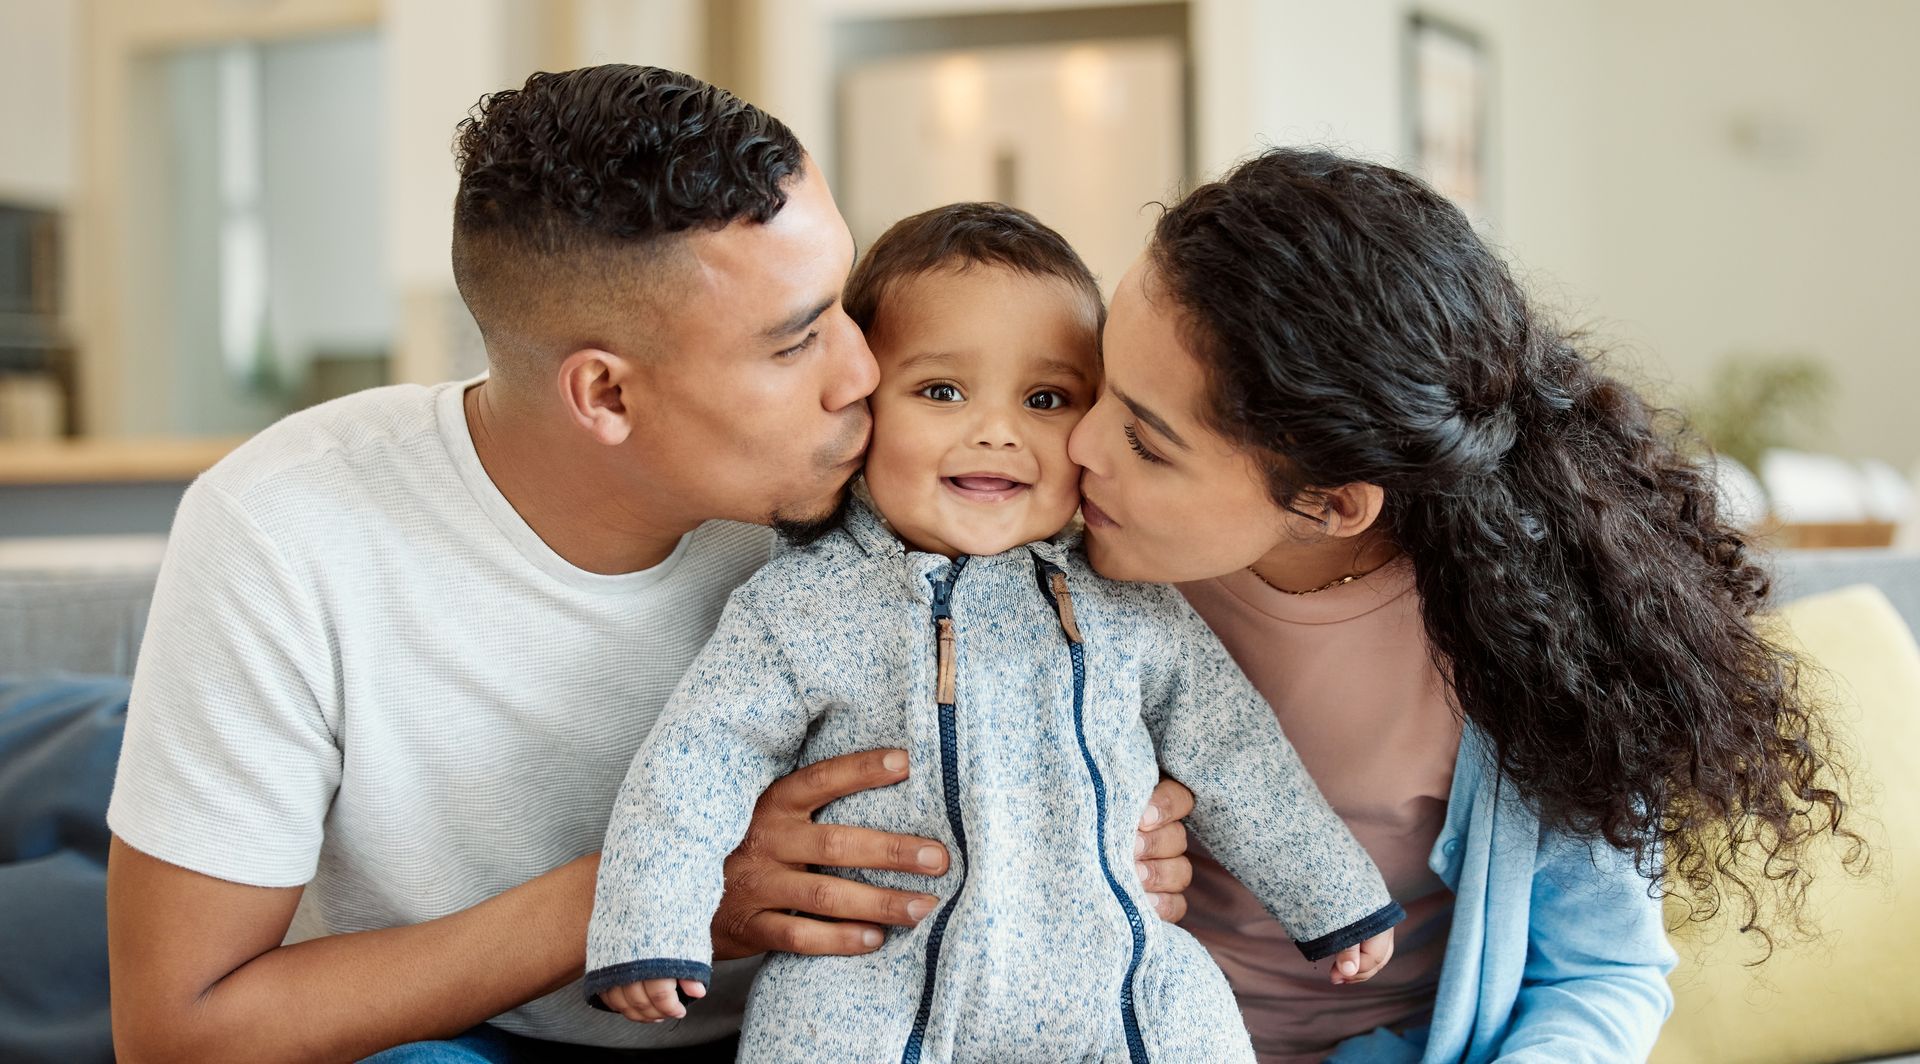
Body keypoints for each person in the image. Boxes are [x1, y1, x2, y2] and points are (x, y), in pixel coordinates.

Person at [101, 66, 1196, 1062]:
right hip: (465, 1029)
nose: (866, 371)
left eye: (847, 304)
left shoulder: (906, 475)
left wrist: (1103, 834)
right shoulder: (286, 528)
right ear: (607, 394)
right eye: (797, 337)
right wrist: (661, 891)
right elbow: (180, 1028)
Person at [1067, 147, 1859, 1063]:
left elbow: (1600, 977)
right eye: (1094, 383)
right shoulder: (1033, 559)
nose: (1078, 445)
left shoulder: (1533, 637)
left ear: (1330, 503)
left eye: (1147, 442)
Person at [583, 203, 1402, 1063]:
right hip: (873, 981)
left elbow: (1235, 750)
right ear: (864, 407)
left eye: (1046, 398)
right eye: (942, 391)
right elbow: (696, 760)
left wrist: (1334, 897)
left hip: (1117, 978)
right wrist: (652, 924)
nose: (998, 430)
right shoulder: (800, 602)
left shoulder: (1131, 601)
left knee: (1194, 1027)